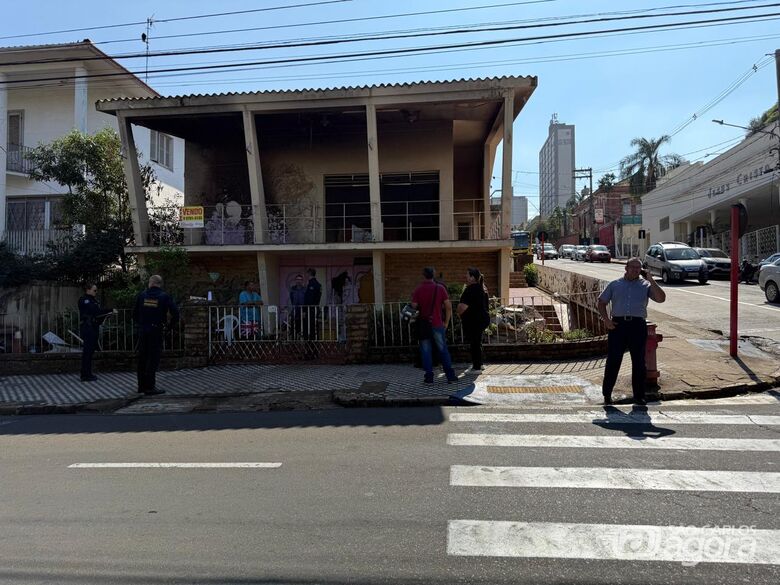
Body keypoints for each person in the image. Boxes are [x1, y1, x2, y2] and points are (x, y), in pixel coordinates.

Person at [597, 258, 666, 405]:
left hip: (637, 325)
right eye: (633, 267)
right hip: (618, 325)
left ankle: (639, 396)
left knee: (639, 362)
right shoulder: (615, 284)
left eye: (638, 268)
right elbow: (601, 302)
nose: (636, 270)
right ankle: (607, 394)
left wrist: (651, 279)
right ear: (626, 268)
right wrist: (606, 320)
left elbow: (661, 299)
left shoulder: (645, 285)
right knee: (614, 360)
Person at [133, 274, 180, 395]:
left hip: (143, 330)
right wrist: (169, 327)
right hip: (156, 330)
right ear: (159, 284)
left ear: (150, 283)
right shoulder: (164, 296)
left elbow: (134, 314)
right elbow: (175, 313)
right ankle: (150, 387)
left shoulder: (142, 295)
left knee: (142, 358)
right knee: (153, 359)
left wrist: (142, 324)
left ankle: (141, 386)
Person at [411, 266, 457, 384]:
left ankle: (429, 377)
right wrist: (446, 322)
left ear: (423, 275)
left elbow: (414, 306)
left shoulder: (418, 289)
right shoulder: (440, 288)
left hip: (424, 325)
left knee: (426, 351)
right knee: (443, 350)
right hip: (437, 323)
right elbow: (448, 307)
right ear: (433, 275)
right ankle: (450, 376)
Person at [77, 283, 114, 382]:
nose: (96, 292)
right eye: (95, 290)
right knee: (87, 352)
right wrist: (109, 310)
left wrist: (107, 314)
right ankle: (85, 375)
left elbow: (98, 313)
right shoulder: (84, 300)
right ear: (88, 290)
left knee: (90, 351)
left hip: (93, 327)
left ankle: (87, 373)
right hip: (88, 328)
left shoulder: (93, 300)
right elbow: (95, 311)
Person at [457, 267, 490, 371]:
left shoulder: (470, 289)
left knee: (474, 343)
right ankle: (479, 363)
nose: (466, 277)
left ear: (472, 277)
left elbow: (462, 307)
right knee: (478, 341)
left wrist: (459, 313)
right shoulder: (482, 288)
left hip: (473, 320)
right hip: (482, 319)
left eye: (467, 275)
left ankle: (477, 365)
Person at [289, 273, 306, 338]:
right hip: (295, 310)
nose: (298, 281)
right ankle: (293, 341)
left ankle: (304, 340)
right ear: (295, 280)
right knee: (294, 325)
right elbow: (291, 299)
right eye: (297, 279)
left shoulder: (305, 289)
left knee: (303, 325)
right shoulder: (292, 289)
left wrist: (305, 311)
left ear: (302, 281)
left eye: (300, 279)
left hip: (303, 310)